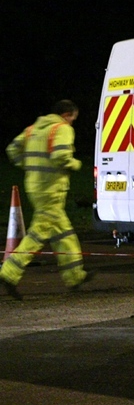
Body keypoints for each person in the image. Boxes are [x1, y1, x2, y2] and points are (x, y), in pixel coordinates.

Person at [1, 100, 90, 299]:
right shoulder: (62, 129)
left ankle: (75, 276)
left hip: (34, 187)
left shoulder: (32, 129)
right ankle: (8, 273)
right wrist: (75, 164)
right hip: (51, 190)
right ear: (67, 115)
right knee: (38, 232)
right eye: (73, 119)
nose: (72, 123)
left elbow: (12, 150)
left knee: (63, 233)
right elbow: (61, 157)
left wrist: (29, 166)